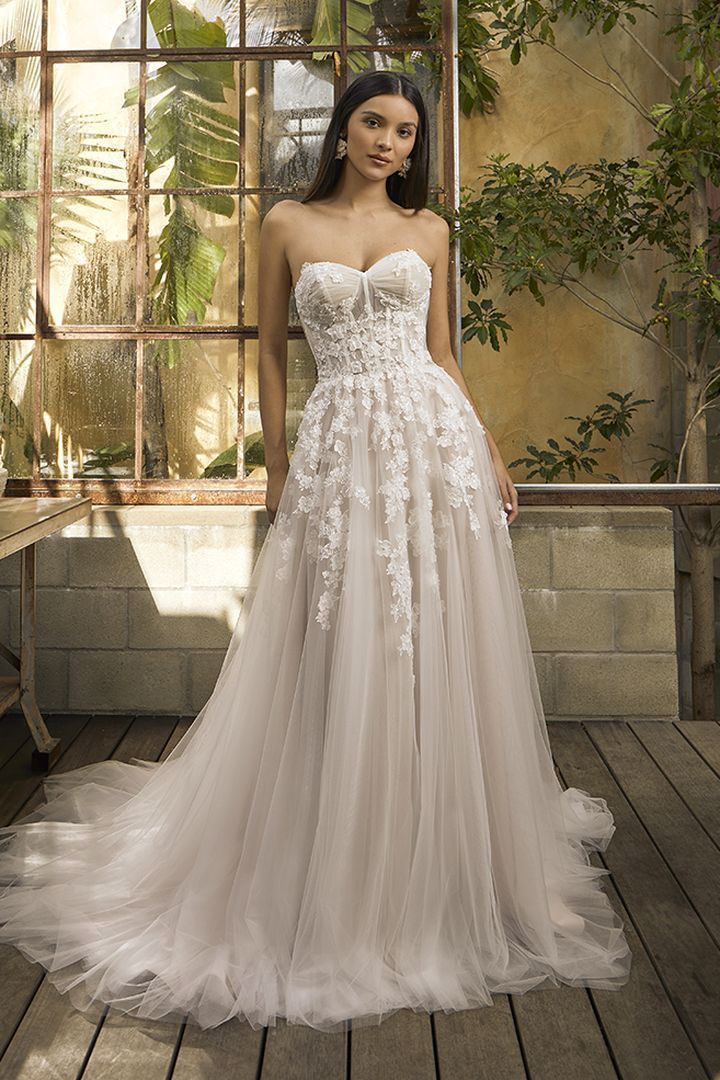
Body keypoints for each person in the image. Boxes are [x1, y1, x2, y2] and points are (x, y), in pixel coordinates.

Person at [0, 70, 631, 1035]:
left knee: (437, 638)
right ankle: (340, 849)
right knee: (344, 638)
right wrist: (278, 466)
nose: (390, 143)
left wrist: (489, 448)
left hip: (433, 447)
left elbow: (443, 355)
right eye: (375, 124)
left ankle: (467, 857)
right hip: (340, 449)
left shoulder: (430, 233)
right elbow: (271, 354)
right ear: (343, 131)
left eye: (406, 133)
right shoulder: (287, 224)